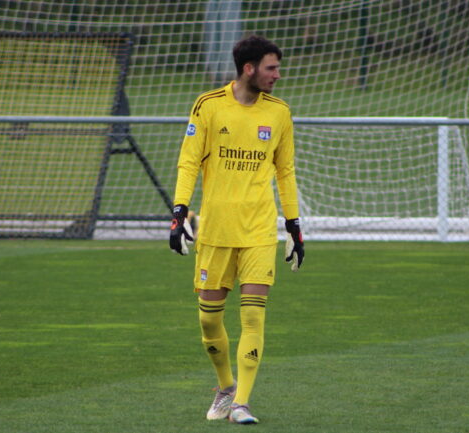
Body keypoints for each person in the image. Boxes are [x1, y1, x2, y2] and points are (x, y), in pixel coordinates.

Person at [169, 34, 305, 425]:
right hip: (215, 230)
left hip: (259, 230)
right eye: (271, 68)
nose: (278, 75)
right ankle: (226, 386)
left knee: (253, 317)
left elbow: (286, 170)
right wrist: (179, 215)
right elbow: (188, 162)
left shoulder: (279, 113)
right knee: (210, 320)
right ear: (249, 69)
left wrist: (294, 226)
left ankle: (242, 402)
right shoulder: (208, 106)